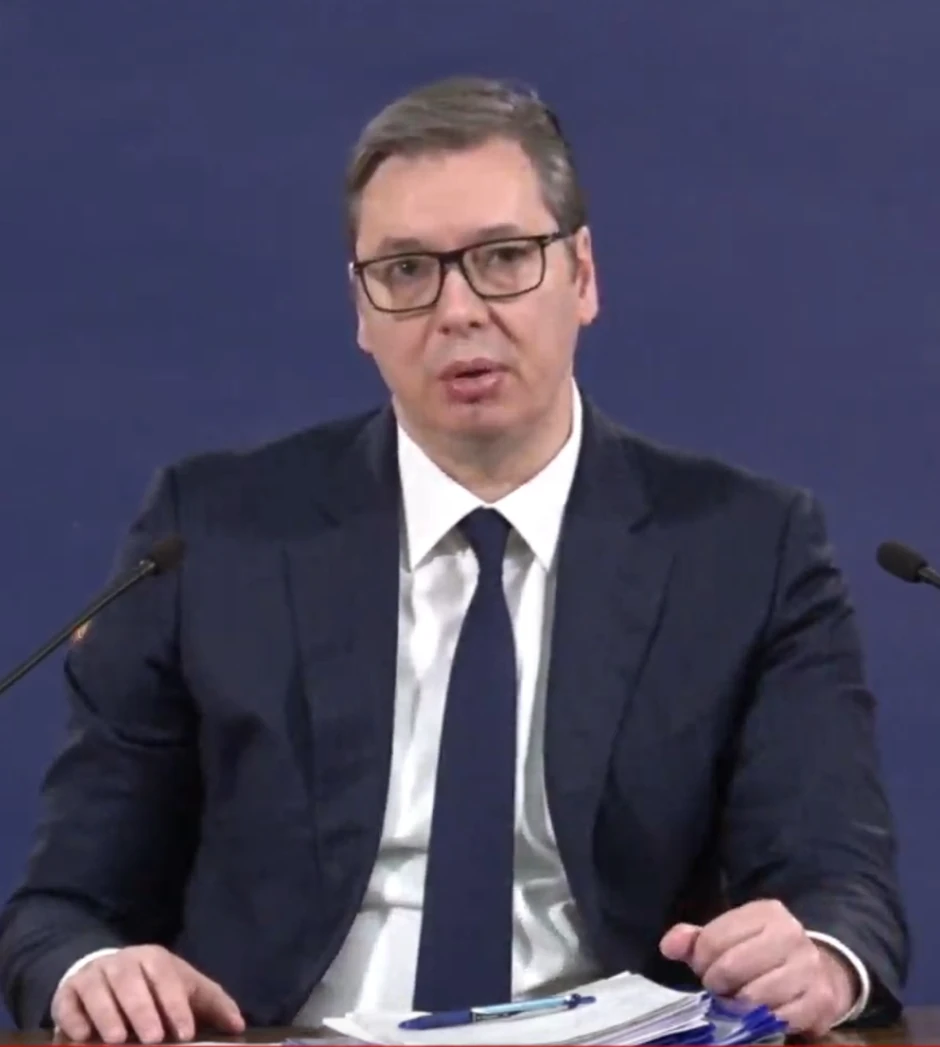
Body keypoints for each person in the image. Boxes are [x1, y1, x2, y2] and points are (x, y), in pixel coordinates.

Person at [0, 76, 907, 1044]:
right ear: (361, 309)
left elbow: (839, 892)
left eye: (504, 258)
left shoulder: (746, 548)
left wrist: (817, 958)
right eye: (405, 271)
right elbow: (62, 911)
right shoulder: (211, 536)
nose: (458, 309)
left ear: (582, 276)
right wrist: (94, 968)